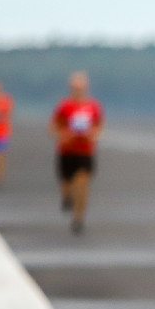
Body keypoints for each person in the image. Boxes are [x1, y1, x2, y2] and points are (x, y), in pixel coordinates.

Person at [50, 71, 104, 235]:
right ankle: (66, 197)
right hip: (67, 151)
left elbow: (99, 127)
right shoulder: (64, 106)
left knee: (82, 183)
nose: (78, 90)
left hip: (85, 152)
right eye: (75, 87)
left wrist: (93, 134)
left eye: (81, 87)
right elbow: (53, 127)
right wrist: (63, 135)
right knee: (67, 185)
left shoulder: (93, 106)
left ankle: (78, 217)